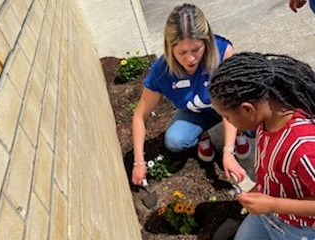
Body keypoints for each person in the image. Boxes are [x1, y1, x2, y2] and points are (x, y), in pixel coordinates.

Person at [131, 3, 251, 186]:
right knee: (175, 140)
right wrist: (139, 162)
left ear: (207, 41)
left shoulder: (223, 52)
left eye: (196, 50)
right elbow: (140, 115)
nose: (190, 58)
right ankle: (201, 133)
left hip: (228, 108)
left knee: (255, 114)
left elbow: (232, 102)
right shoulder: (161, 71)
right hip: (197, 112)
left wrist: (228, 151)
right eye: (182, 52)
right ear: (169, 48)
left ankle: (238, 130)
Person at [209, 52, 315, 239]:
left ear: (248, 109)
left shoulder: (303, 148)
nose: (228, 123)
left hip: (298, 229)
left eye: (228, 117)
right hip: (267, 213)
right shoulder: (265, 122)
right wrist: (259, 191)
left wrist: (273, 204)